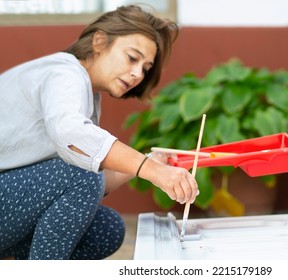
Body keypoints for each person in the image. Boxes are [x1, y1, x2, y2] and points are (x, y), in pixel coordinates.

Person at [0, 5, 199, 260]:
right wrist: (154, 172)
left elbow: (82, 181)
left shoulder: (86, 92)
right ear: (99, 41)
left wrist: (153, 163)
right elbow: (73, 140)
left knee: (107, 229)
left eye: (146, 68)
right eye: (132, 58)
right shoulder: (65, 74)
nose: (138, 73)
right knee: (81, 174)